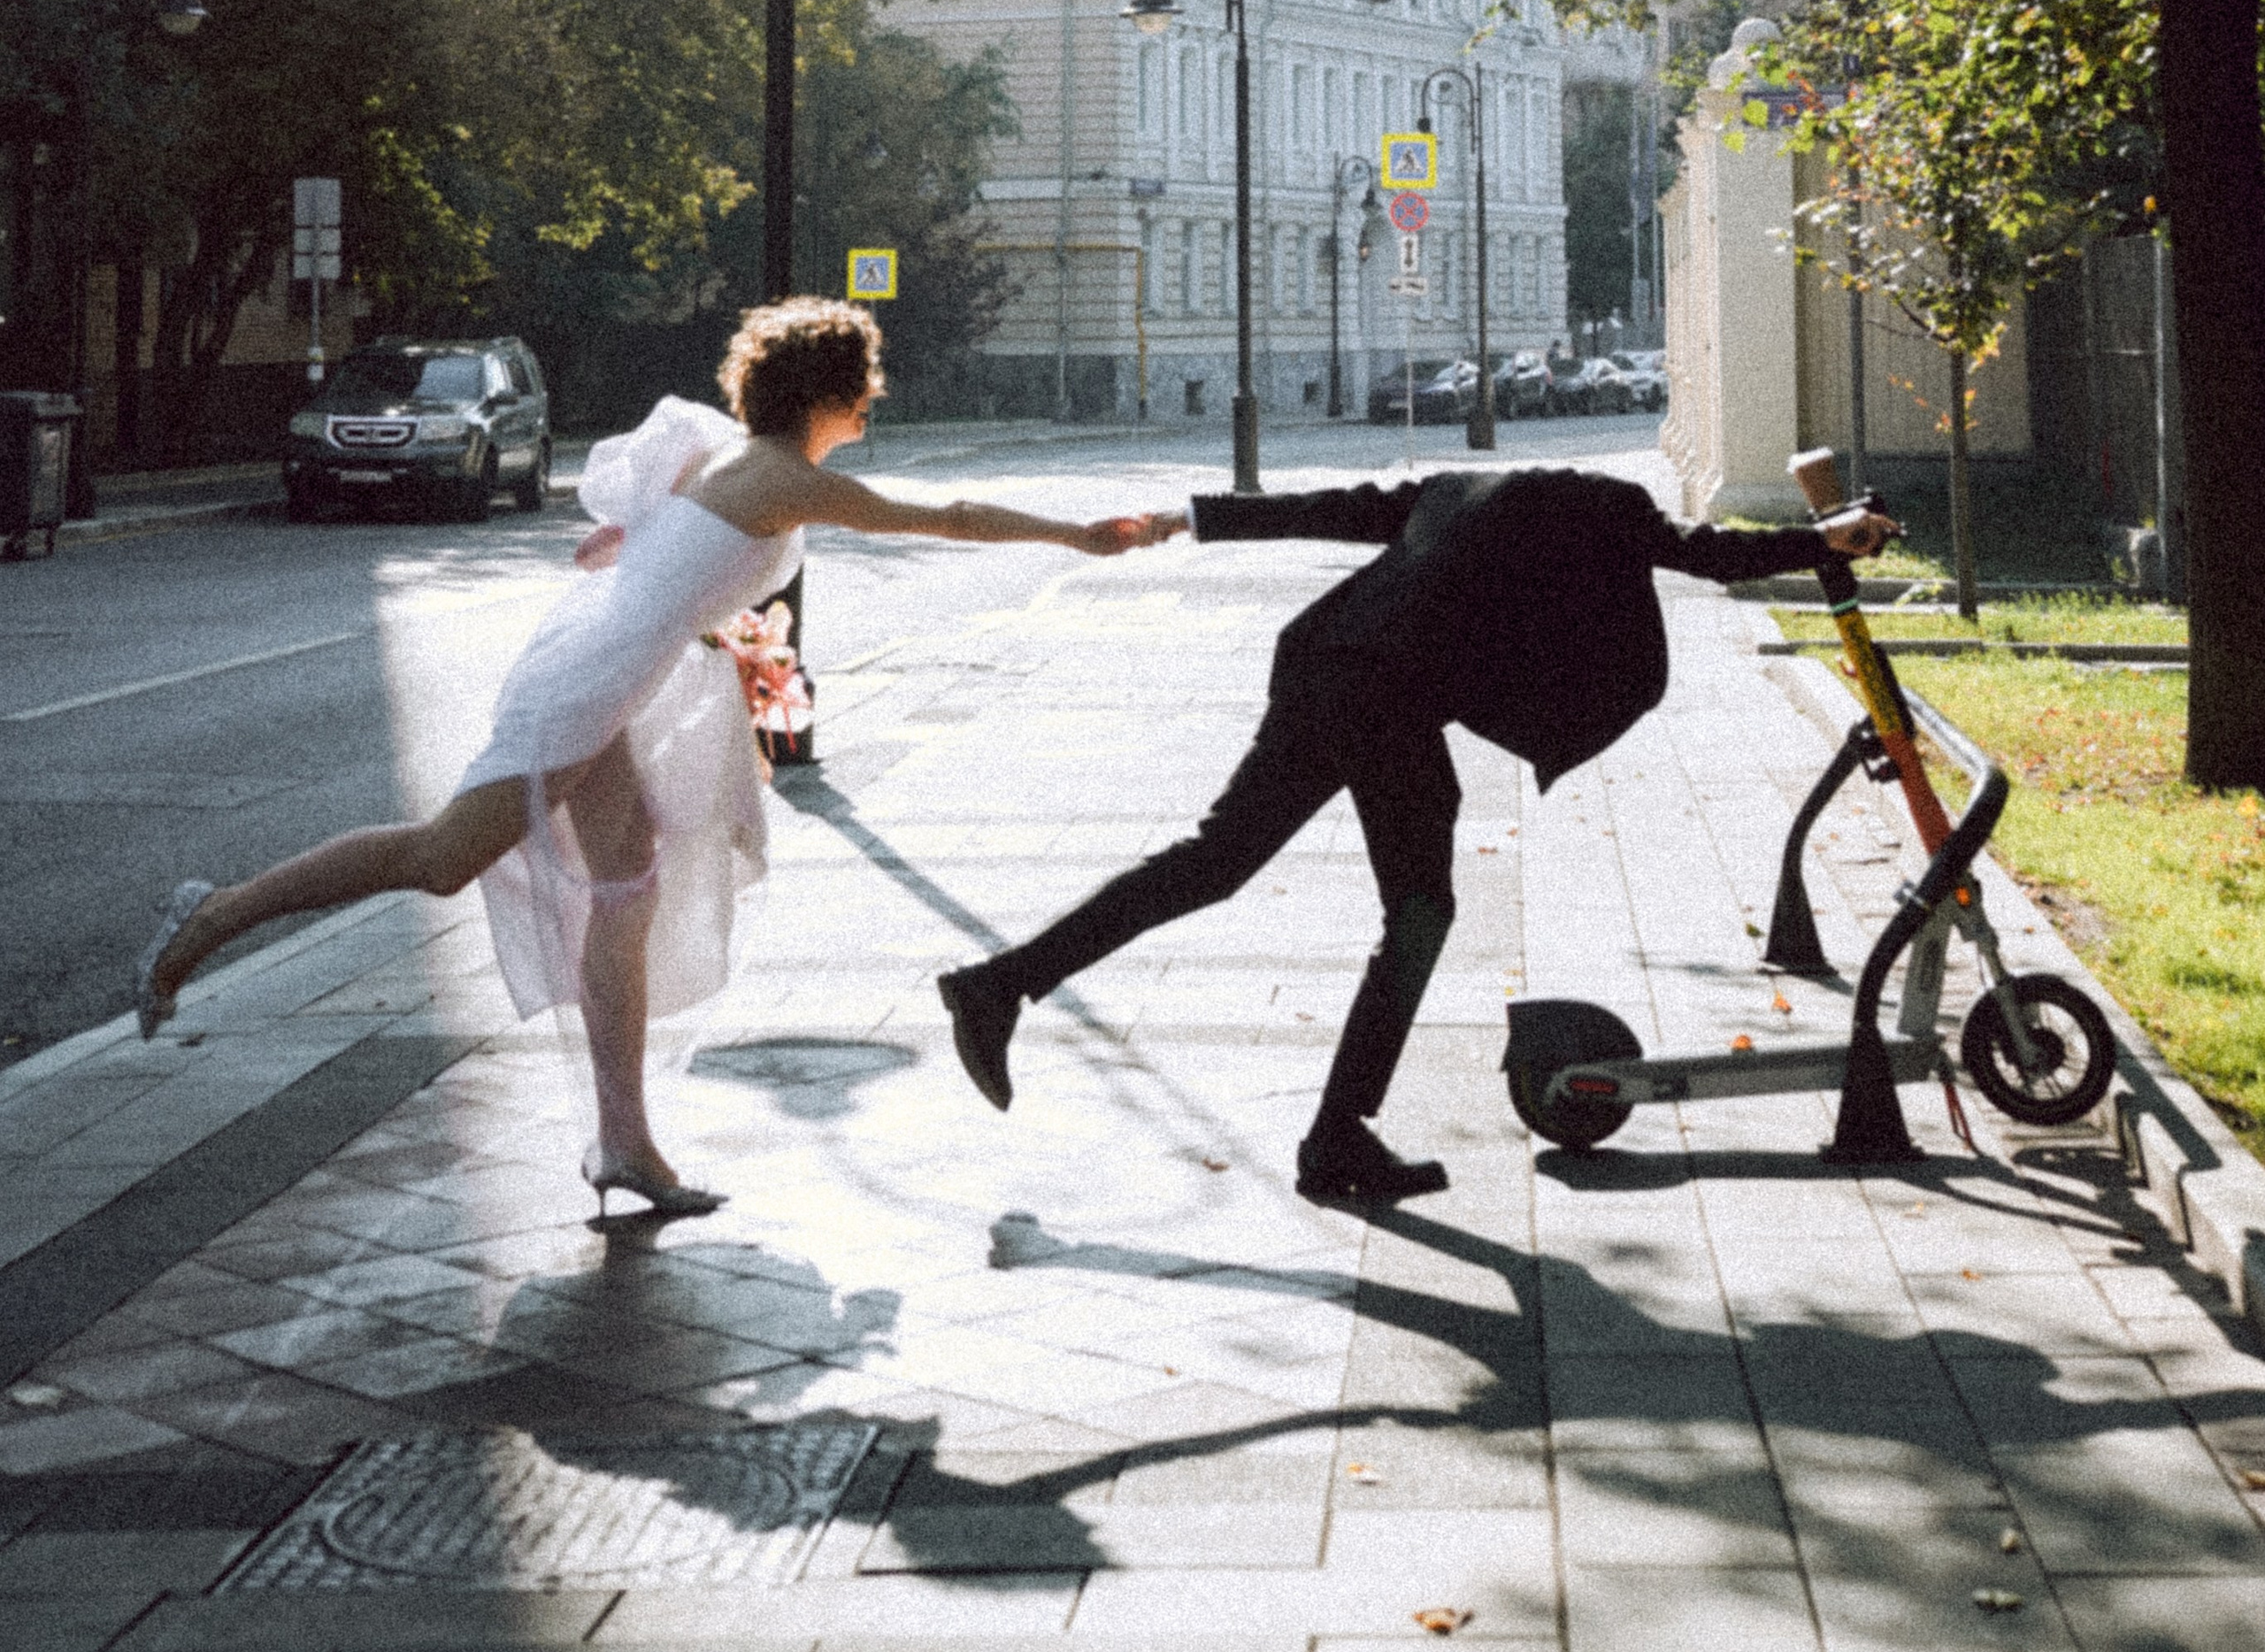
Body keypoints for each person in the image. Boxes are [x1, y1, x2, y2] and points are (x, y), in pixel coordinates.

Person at [136, 298, 1173, 1218]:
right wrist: (1080, 536)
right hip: (588, 683)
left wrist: (710, 624)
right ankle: (214, 913)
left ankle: (624, 1141)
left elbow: (664, 555)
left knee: (626, 890)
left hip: (610, 675)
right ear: (827, 392)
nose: (872, 405)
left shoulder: (728, 455)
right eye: (864, 388)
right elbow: (943, 516)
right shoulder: (776, 473)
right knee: (446, 855)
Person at [940, 461, 1892, 1208]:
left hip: (1325, 664)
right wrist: (1819, 540)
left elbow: (1331, 506)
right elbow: (1704, 549)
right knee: (1419, 910)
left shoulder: (1453, 488)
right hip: (1386, 700)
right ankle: (1336, 1131)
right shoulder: (1611, 507)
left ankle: (1002, 984)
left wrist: (1188, 516)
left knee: (1218, 860)